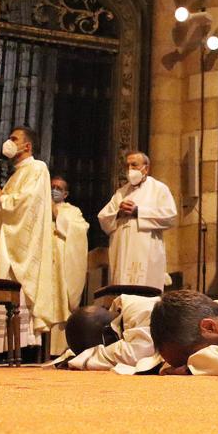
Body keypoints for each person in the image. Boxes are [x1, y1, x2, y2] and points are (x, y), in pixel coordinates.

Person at [0, 126, 65, 356]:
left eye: (14, 139)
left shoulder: (37, 168)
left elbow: (29, 203)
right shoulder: (17, 173)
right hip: (6, 242)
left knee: (15, 291)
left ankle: (17, 349)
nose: (8, 142)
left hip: (20, 247)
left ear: (27, 146)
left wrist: (2, 199)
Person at [98, 151, 177, 289]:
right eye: (127, 166)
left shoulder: (158, 189)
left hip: (146, 251)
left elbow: (170, 216)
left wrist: (138, 212)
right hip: (122, 250)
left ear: (146, 168)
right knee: (121, 291)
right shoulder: (121, 193)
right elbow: (103, 218)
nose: (130, 169)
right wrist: (118, 214)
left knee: (144, 291)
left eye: (134, 165)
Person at [53, 294, 162, 374]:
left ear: (107, 336)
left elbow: (135, 353)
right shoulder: (122, 315)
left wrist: (84, 359)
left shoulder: (140, 311)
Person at [48, 176, 89, 355]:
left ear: (66, 193)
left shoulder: (73, 211)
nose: (54, 190)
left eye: (58, 188)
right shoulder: (38, 206)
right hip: (41, 262)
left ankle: (57, 350)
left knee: (59, 301)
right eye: (52, 187)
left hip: (61, 265)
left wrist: (57, 215)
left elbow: (80, 230)